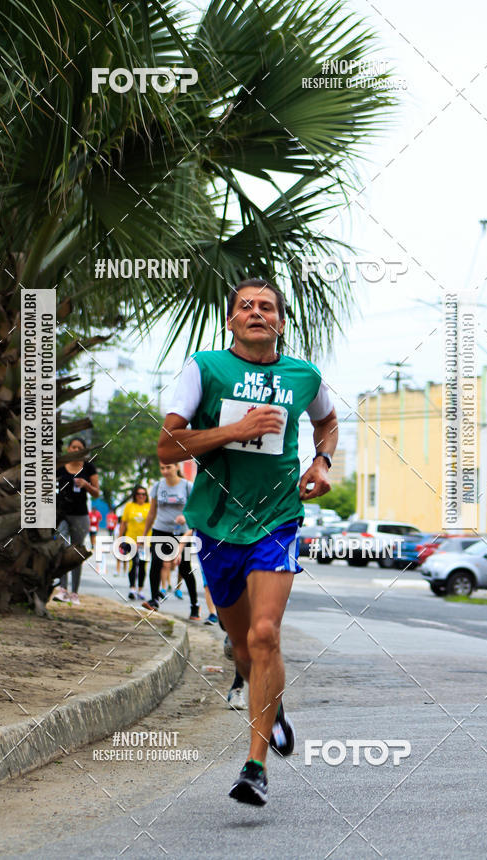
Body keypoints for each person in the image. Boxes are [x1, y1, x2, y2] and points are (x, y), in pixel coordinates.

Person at [157, 278, 337, 806]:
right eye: (245, 306)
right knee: (241, 647)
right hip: (216, 525)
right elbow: (167, 446)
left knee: (264, 635)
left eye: (267, 306)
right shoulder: (205, 369)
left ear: (280, 321)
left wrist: (321, 461)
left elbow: (326, 420)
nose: (256, 312)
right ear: (231, 321)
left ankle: (254, 766)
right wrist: (235, 431)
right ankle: (271, 702)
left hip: (277, 520)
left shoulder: (303, 376)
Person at [141, 464, 199, 620]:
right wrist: (145, 534)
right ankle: (154, 600)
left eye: (168, 467)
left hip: (182, 533)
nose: (165, 471)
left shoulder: (187, 486)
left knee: (185, 568)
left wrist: (186, 517)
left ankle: (195, 605)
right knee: (156, 563)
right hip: (160, 530)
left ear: (176, 467)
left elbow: (195, 510)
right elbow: (152, 511)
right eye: (162, 468)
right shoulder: (158, 486)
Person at [54, 437, 100, 606]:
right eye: (73, 447)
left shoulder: (89, 467)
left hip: (80, 515)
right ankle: (63, 589)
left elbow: (96, 493)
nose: (76, 450)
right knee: (62, 548)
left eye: (79, 447)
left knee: (76, 552)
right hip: (62, 514)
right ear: (68, 449)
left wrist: (86, 485)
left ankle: (74, 592)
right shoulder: (60, 466)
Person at [119, 485, 151, 600]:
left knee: (143, 566)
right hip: (130, 540)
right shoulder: (129, 506)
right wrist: (120, 539)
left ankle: (140, 590)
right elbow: (123, 523)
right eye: (139, 494)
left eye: (143, 494)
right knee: (133, 564)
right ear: (135, 495)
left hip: (145, 541)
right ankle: (132, 588)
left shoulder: (150, 506)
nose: (141, 496)